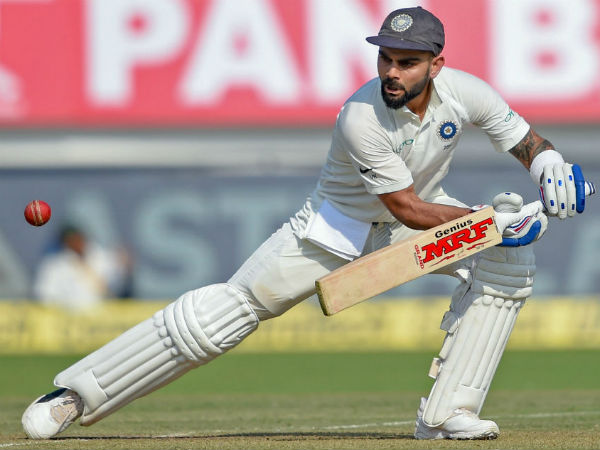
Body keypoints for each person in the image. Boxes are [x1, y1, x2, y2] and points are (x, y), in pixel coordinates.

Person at [21, 6, 590, 440]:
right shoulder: (361, 115)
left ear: (436, 66)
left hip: (411, 222)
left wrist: (551, 169)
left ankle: (447, 415)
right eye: (386, 59)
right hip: (331, 230)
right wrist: (490, 220)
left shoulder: (466, 93)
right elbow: (406, 208)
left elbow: (525, 141)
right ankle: (74, 396)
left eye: (407, 62)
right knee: (221, 317)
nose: (392, 72)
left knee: (507, 259)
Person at [32, 225, 132, 311]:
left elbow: (117, 280)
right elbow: (44, 294)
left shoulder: (100, 256)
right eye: (71, 240)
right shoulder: (55, 265)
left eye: (77, 238)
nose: (76, 243)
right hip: (70, 318)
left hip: (102, 316)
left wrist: (123, 265)